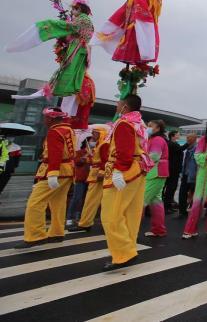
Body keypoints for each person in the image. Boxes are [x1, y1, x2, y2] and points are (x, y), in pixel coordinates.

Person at [6, 0, 94, 115]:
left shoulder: (83, 19)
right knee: (71, 71)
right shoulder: (84, 20)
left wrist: (51, 24)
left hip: (78, 48)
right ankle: (65, 90)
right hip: (81, 48)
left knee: (68, 69)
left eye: (75, 8)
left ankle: (63, 90)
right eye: (72, 8)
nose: (73, 11)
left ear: (82, 9)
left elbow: (71, 27)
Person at [100, 94, 150, 270]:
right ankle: (128, 248)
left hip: (125, 171)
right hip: (138, 170)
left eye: (119, 102)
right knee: (130, 213)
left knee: (111, 215)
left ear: (125, 107)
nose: (117, 104)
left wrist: (119, 170)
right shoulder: (139, 123)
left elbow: (124, 149)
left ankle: (123, 253)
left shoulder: (123, 123)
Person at [16, 108, 76, 248]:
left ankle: (35, 235)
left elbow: (55, 154)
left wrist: (53, 173)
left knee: (35, 202)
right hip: (67, 170)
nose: (44, 120)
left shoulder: (55, 131)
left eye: (45, 117)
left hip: (55, 170)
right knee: (58, 203)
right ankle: (56, 232)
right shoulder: (69, 130)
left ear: (50, 118)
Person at [69, 125, 110, 232]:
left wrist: (101, 172)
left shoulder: (104, 144)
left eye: (95, 132)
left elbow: (105, 160)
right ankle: (86, 222)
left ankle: (86, 223)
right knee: (93, 200)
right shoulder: (100, 144)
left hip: (99, 175)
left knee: (93, 200)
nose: (92, 134)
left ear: (101, 133)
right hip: (96, 175)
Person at [144, 120, 169, 237]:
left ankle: (129, 230)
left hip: (154, 172)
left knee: (141, 201)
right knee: (156, 201)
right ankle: (158, 229)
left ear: (158, 128)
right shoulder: (153, 139)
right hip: (157, 172)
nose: (147, 128)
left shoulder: (157, 140)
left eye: (150, 126)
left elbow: (154, 156)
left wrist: (140, 160)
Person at [66, 139, 90, 226]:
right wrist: (84, 158)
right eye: (91, 141)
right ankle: (70, 217)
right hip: (81, 178)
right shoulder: (79, 152)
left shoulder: (94, 152)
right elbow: (77, 162)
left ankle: (78, 216)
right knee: (77, 198)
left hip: (90, 178)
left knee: (86, 199)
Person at [178, 134, 198, 218]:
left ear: (194, 139)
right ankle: (182, 211)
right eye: (187, 138)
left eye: (189, 138)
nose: (187, 139)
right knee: (182, 193)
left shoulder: (197, 149)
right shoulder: (188, 148)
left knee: (196, 194)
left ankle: (195, 211)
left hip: (194, 175)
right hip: (186, 174)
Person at [163, 130, 183, 212]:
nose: (179, 135)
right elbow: (181, 149)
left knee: (169, 188)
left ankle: (168, 205)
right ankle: (167, 207)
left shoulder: (170, 144)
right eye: (178, 134)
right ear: (173, 135)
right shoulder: (172, 144)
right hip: (173, 170)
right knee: (171, 188)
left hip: (170, 169)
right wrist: (189, 143)